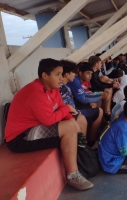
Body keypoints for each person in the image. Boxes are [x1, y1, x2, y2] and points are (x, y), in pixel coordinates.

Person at [5, 58, 93, 190]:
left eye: (61, 74)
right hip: (19, 138)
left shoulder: (54, 89)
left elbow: (61, 108)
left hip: (36, 128)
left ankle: (82, 160)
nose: (61, 78)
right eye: (57, 74)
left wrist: (71, 120)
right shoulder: (35, 92)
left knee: (73, 122)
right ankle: (72, 176)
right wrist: (67, 110)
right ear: (45, 76)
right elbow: (49, 120)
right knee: (69, 127)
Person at [60, 60, 103, 145]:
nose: (75, 75)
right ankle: (90, 143)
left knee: (94, 106)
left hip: (73, 109)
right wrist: (99, 98)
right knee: (99, 111)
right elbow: (81, 99)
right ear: (67, 74)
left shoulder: (65, 86)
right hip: (73, 113)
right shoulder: (66, 85)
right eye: (74, 72)